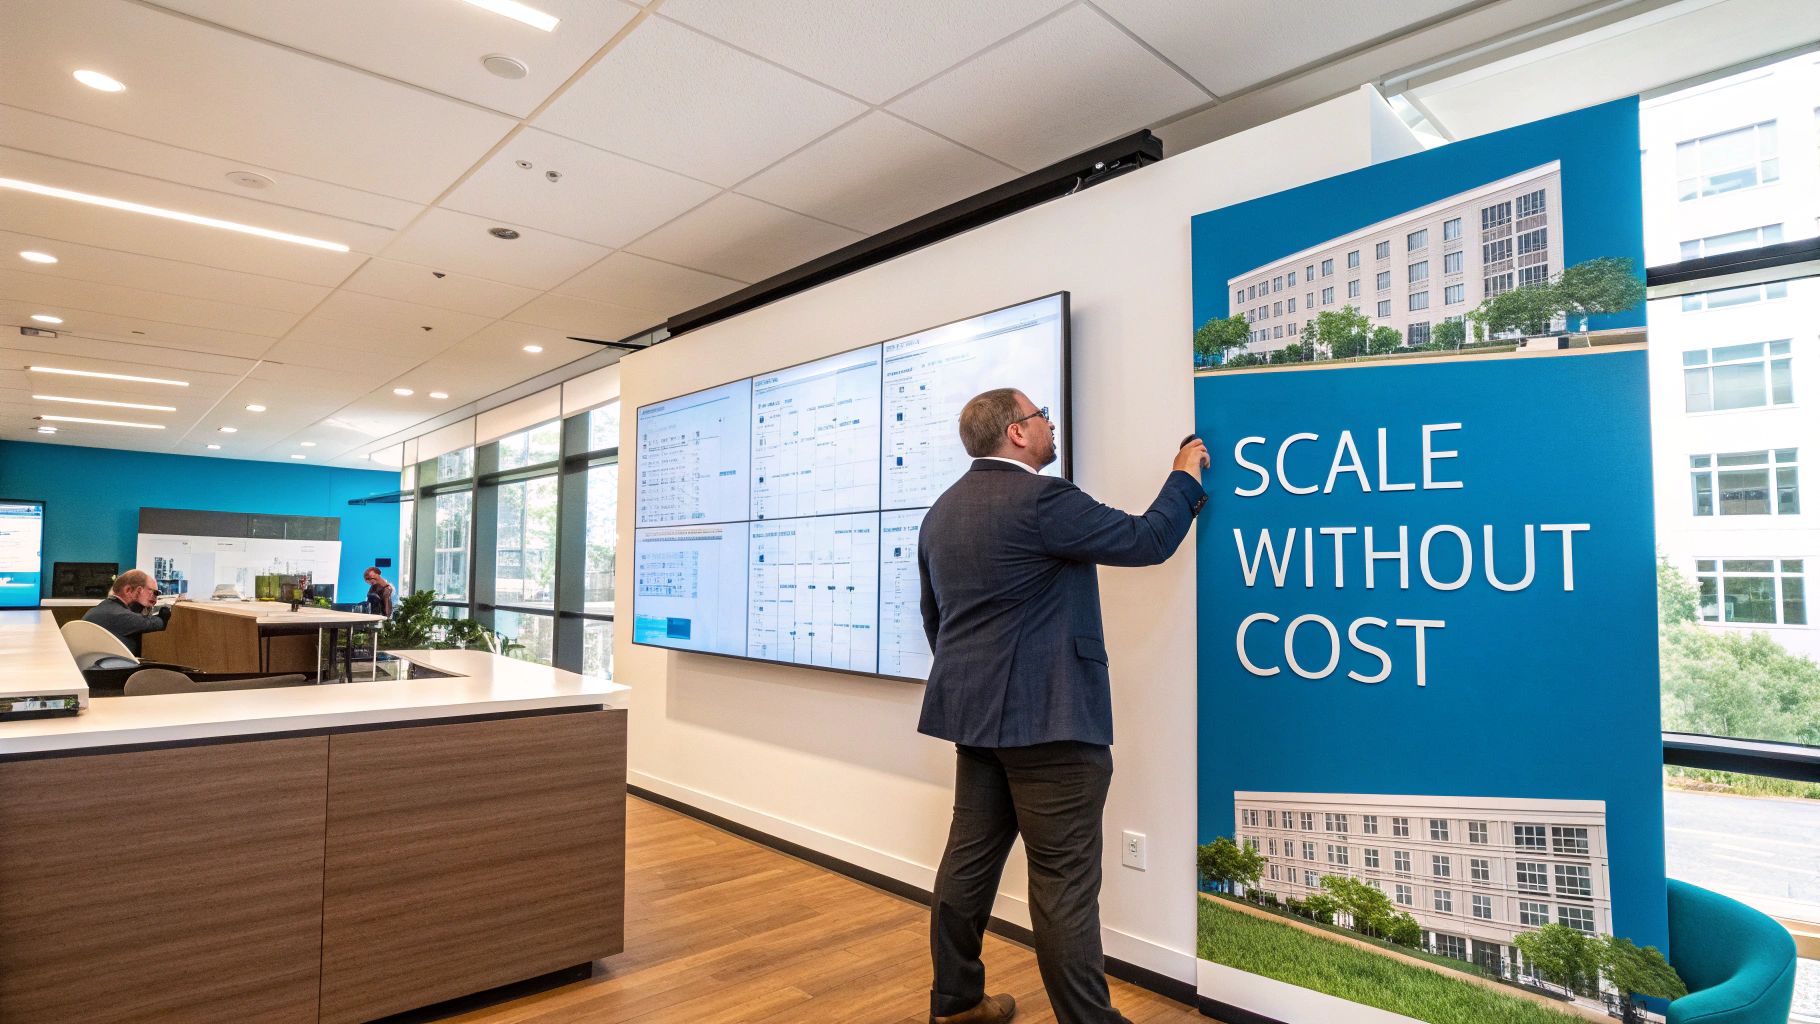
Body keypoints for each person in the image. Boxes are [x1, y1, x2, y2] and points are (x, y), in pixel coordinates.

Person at [918, 388, 1207, 1024]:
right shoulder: (1042, 499)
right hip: (1051, 723)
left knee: (967, 865)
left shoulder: (942, 511)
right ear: (1016, 434)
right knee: (1063, 888)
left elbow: (935, 621)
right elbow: (1146, 540)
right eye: (1040, 415)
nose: (1049, 423)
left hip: (976, 720)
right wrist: (1183, 478)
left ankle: (957, 1003)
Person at [81, 569, 174, 657]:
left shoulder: (96, 610)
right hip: (113, 670)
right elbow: (159, 623)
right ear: (128, 590)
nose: (155, 599)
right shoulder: (121, 615)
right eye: (154, 593)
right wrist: (164, 614)